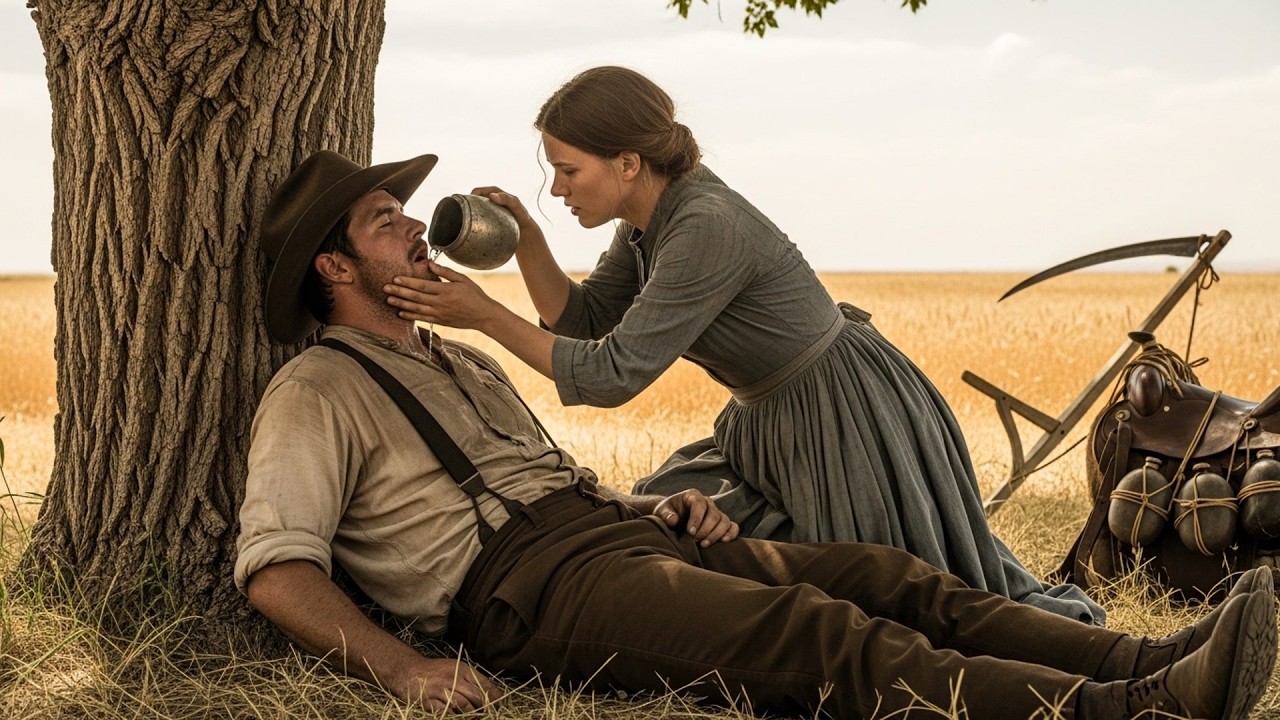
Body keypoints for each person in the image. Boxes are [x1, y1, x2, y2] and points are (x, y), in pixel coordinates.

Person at [235, 148, 1278, 719]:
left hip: (613, 537)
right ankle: (1135, 711)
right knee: (825, 641)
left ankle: (1143, 655)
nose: (416, 226)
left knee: (891, 579)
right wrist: (401, 671)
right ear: (333, 269)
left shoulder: (453, 354)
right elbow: (277, 571)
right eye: (384, 221)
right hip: (527, 594)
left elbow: (549, 459)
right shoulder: (317, 393)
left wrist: (649, 504)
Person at [381, 65, 1104, 624]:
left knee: (900, 598)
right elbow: (590, 319)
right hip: (767, 418)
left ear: (627, 162)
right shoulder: (643, 220)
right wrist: (529, 248)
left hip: (840, 412)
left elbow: (612, 375)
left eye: (569, 171)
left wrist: (481, 315)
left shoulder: (703, 225)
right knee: (667, 514)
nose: (558, 188)